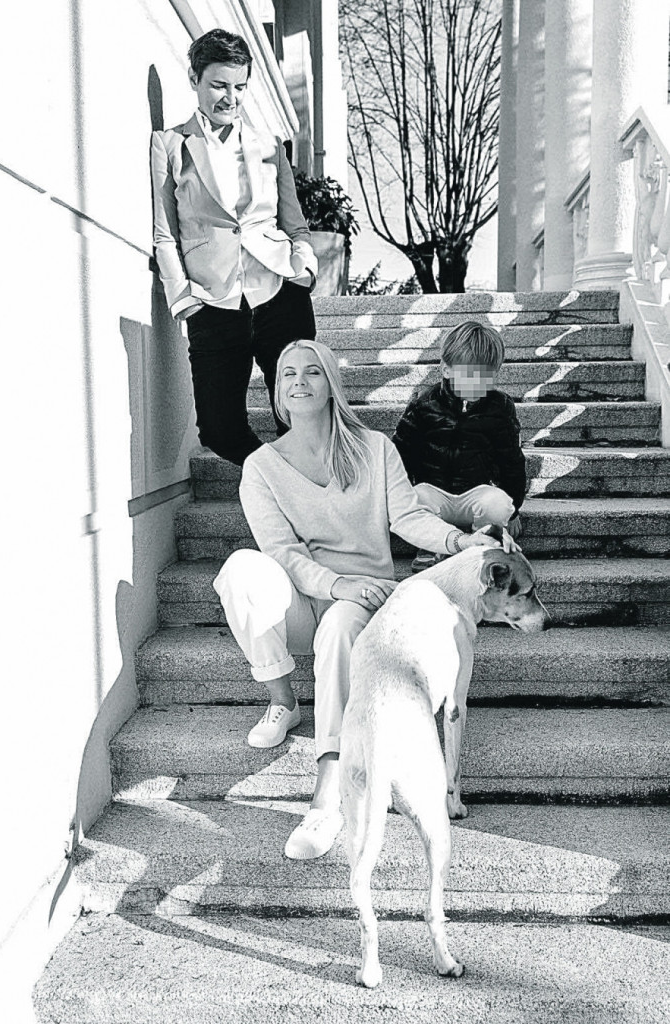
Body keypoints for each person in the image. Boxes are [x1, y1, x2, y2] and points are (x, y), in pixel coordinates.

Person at [213, 340, 515, 862]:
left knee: (340, 626)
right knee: (240, 569)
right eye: (288, 374)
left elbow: (408, 518)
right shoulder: (260, 466)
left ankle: (328, 792)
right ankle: (284, 701)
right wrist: (335, 584)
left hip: (367, 599)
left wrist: (458, 541)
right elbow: (281, 552)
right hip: (308, 597)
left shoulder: (375, 449)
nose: (299, 381)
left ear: (331, 383)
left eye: (312, 371)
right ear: (278, 391)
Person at [150, 29, 318, 466]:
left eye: (240, 87)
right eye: (219, 85)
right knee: (219, 428)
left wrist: (304, 270)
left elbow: (295, 224)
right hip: (213, 302)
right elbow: (165, 234)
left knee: (302, 417)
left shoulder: (269, 146)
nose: (231, 98)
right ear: (194, 78)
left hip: (279, 293)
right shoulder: (170, 145)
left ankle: (305, 497)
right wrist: (183, 298)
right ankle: (279, 478)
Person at [392, 321, 527, 572]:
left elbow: (512, 462)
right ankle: (431, 544)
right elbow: (401, 455)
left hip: (474, 495)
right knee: (417, 495)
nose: (478, 383)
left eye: (487, 375)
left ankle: (485, 540)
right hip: (435, 494)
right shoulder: (424, 405)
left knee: (498, 503)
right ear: (446, 370)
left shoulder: (500, 407)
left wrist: (514, 509)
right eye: (470, 374)